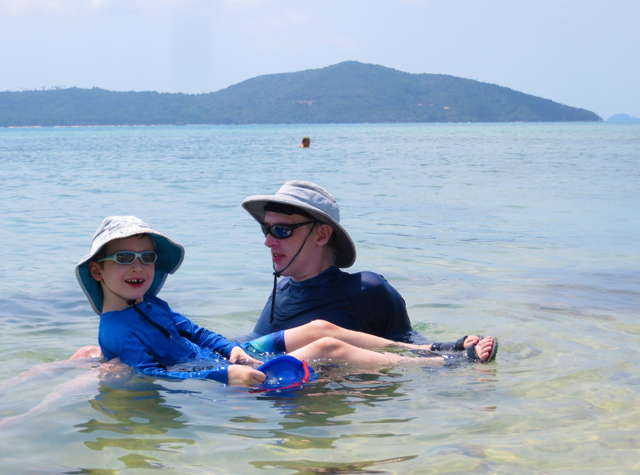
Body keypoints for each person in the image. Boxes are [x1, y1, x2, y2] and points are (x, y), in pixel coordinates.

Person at [73, 216, 497, 386]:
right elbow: (157, 377)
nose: (139, 267)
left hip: (229, 356)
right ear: (98, 271)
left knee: (318, 328)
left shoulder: (151, 306)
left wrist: (232, 350)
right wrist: (225, 374)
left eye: (147, 258)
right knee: (329, 347)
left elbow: (197, 332)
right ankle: (442, 367)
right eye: (124, 258)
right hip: (220, 376)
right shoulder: (118, 329)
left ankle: (432, 347)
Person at [242, 180, 484, 352]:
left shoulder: (366, 290)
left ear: (321, 235)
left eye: (281, 230)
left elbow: (413, 348)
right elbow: (255, 346)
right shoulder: (281, 289)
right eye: (266, 228)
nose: (267, 241)